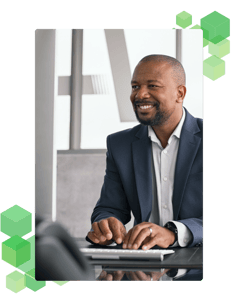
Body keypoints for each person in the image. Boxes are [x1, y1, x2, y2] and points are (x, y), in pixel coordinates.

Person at [86, 54, 203, 250]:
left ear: (180, 94)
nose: (140, 95)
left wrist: (174, 233)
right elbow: (109, 207)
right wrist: (106, 224)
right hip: (143, 265)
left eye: (153, 86)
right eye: (135, 87)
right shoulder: (120, 144)